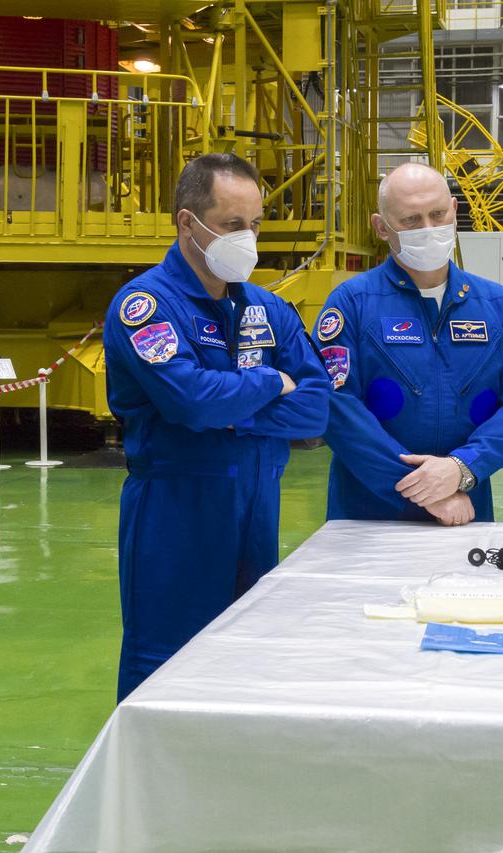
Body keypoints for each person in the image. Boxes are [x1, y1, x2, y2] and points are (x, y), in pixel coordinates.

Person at [104, 153, 330, 700]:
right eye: (232, 225)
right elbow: (191, 401)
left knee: (246, 657)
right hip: (176, 509)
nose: (247, 239)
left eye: (254, 225)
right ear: (188, 222)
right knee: (165, 663)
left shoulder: (268, 308)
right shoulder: (146, 304)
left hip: (258, 504)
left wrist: (231, 415)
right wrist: (271, 383)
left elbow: (319, 407)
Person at [312, 162, 503, 524]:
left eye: (437, 215)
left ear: (454, 210)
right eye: (411, 220)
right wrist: (418, 487)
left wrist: (462, 468)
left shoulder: (497, 305)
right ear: (381, 227)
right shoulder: (352, 304)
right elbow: (338, 406)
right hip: (370, 511)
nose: (428, 229)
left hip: (465, 506)